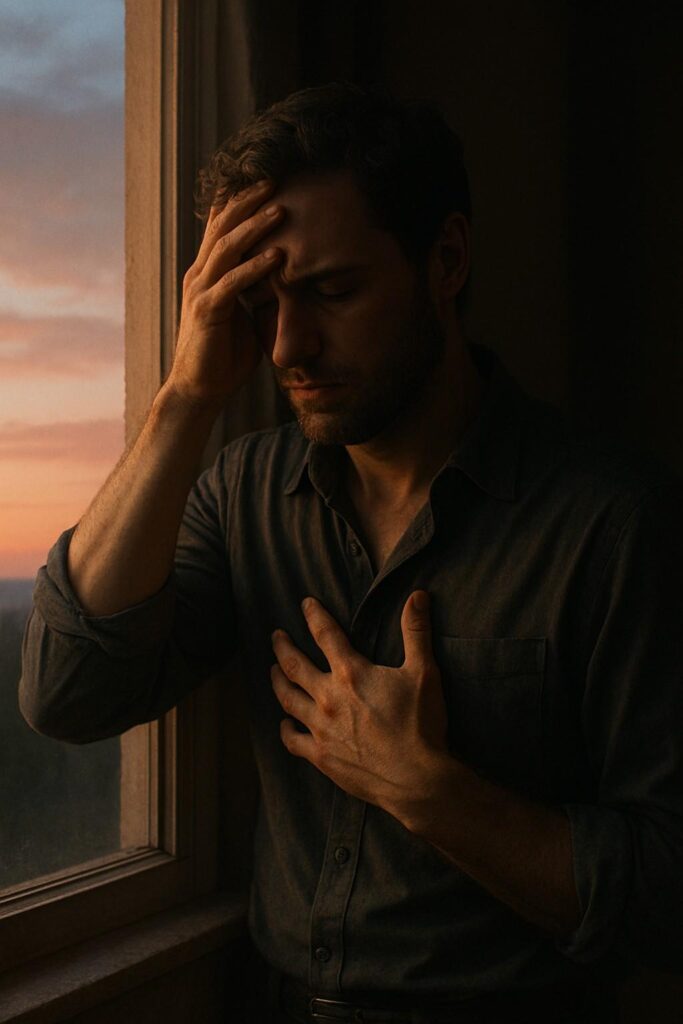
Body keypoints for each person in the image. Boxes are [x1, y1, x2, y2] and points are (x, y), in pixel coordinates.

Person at [19, 83, 683, 1023]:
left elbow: (668, 898)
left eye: (332, 291)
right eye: (261, 301)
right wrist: (184, 397)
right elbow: (67, 691)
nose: (289, 344)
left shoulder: (612, 523)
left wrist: (430, 793)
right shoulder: (243, 494)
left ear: (444, 260)